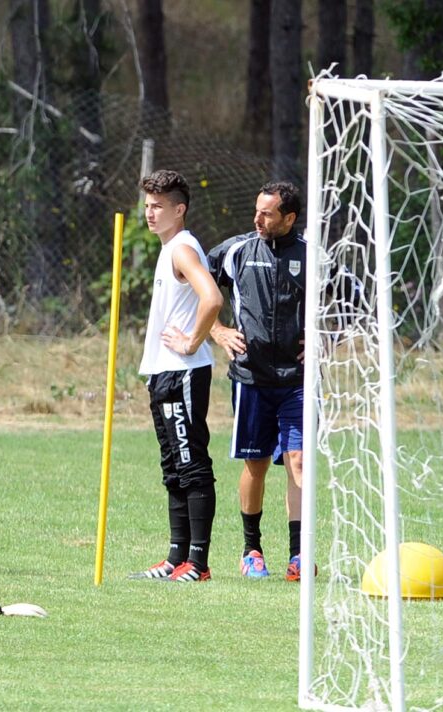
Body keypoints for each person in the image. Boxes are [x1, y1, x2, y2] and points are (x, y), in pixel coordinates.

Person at [206, 181, 307, 581]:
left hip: (299, 381)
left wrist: (326, 338)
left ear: (290, 218)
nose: (257, 219)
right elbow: (194, 281)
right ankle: (252, 550)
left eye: (267, 213)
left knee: (298, 460)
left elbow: (351, 297)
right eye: (256, 210)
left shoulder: (313, 255)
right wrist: (215, 330)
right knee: (257, 463)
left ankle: (300, 555)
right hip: (250, 378)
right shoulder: (237, 251)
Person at [130, 169, 223, 583]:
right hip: (162, 374)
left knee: (191, 464)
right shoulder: (169, 248)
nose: (150, 213)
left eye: (158, 206)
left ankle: (198, 564)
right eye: (147, 206)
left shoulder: (182, 248)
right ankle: (175, 558)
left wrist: (191, 342)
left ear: (179, 209)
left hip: (183, 372)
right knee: (173, 466)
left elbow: (213, 297)